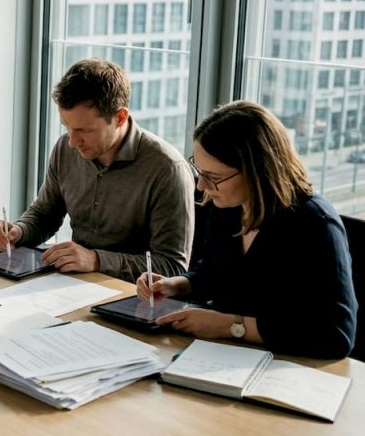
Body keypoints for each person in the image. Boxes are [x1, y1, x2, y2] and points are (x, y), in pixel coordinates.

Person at [137, 101, 357, 359]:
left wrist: (231, 326)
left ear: (257, 171)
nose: (201, 185)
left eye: (214, 177)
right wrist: (178, 285)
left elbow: (336, 335)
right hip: (222, 356)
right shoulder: (228, 204)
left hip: (286, 366)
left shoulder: (316, 225)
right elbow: (215, 272)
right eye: (200, 171)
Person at [0, 58, 195, 282]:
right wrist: (18, 232)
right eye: (67, 128)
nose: (72, 142)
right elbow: (44, 215)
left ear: (120, 117)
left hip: (131, 298)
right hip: (71, 284)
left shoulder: (167, 169)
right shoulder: (65, 149)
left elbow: (172, 267)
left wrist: (97, 260)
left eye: (83, 130)